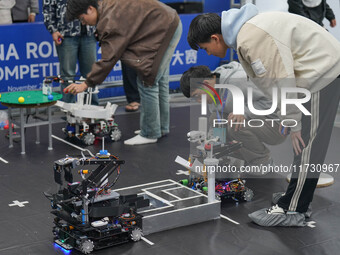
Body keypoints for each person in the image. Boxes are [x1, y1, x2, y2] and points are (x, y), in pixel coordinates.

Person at [187, 4, 340, 227]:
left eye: (205, 48)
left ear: (215, 38)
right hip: (313, 72)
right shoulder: (246, 33)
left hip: (320, 73)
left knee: (307, 145)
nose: (208, 54)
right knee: (305, 144)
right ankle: (295, 198)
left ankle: (293, 208)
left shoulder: (251, 38)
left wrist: (293, 122)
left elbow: (281, 81)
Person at [64, 0, 182, 145]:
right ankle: (160, 128)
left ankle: (150, 133)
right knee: (160, 80)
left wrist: (86, 84)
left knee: (147, 80)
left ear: (90, 9)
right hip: (168, 21)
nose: (83, 23)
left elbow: (108, 59)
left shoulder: (108, 20)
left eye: (82, 18)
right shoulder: (105, 6)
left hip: (163, 27)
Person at [180, 62, 286, 168]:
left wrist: (244, 112)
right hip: (256, 120)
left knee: (235, 126)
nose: (199, 101)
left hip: (276, 125)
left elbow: (274, 100)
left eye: (198, 96)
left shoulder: (239, 80)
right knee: (215, 119)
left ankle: (263, 160)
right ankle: (229, 157)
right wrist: (210, 143)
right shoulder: (211, 93)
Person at [43, 0, 99, 105]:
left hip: (89, 32)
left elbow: (97, 4)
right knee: (67, 75)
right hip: (65, 33)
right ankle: (68, 110)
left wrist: (98, 26)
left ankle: (93, 109)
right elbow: (47, 8)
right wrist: (53, 30)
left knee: (91, 73)